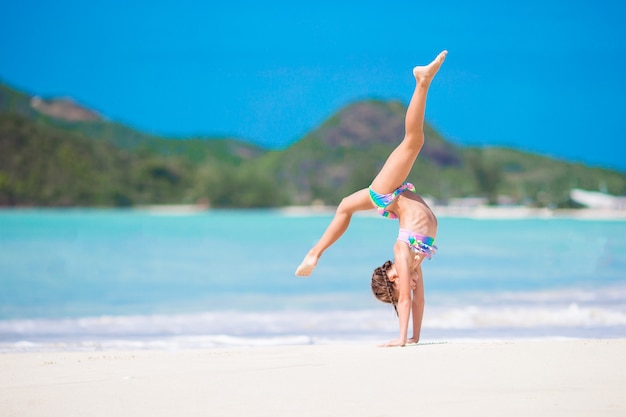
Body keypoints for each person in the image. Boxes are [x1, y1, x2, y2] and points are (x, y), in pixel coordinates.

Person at [295, 50, 447, 347]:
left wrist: (401, 340)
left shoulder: (403, 252)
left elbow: (405, 299)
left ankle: (422, 80)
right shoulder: (416, 263)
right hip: (391, 198)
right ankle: (315, 252)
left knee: (413, 141)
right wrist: (416, 336)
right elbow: (418, 300)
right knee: (345, 206)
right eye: (410, 283)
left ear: (393, 277)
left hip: (386, 194)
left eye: (403, 283)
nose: (411, 284)